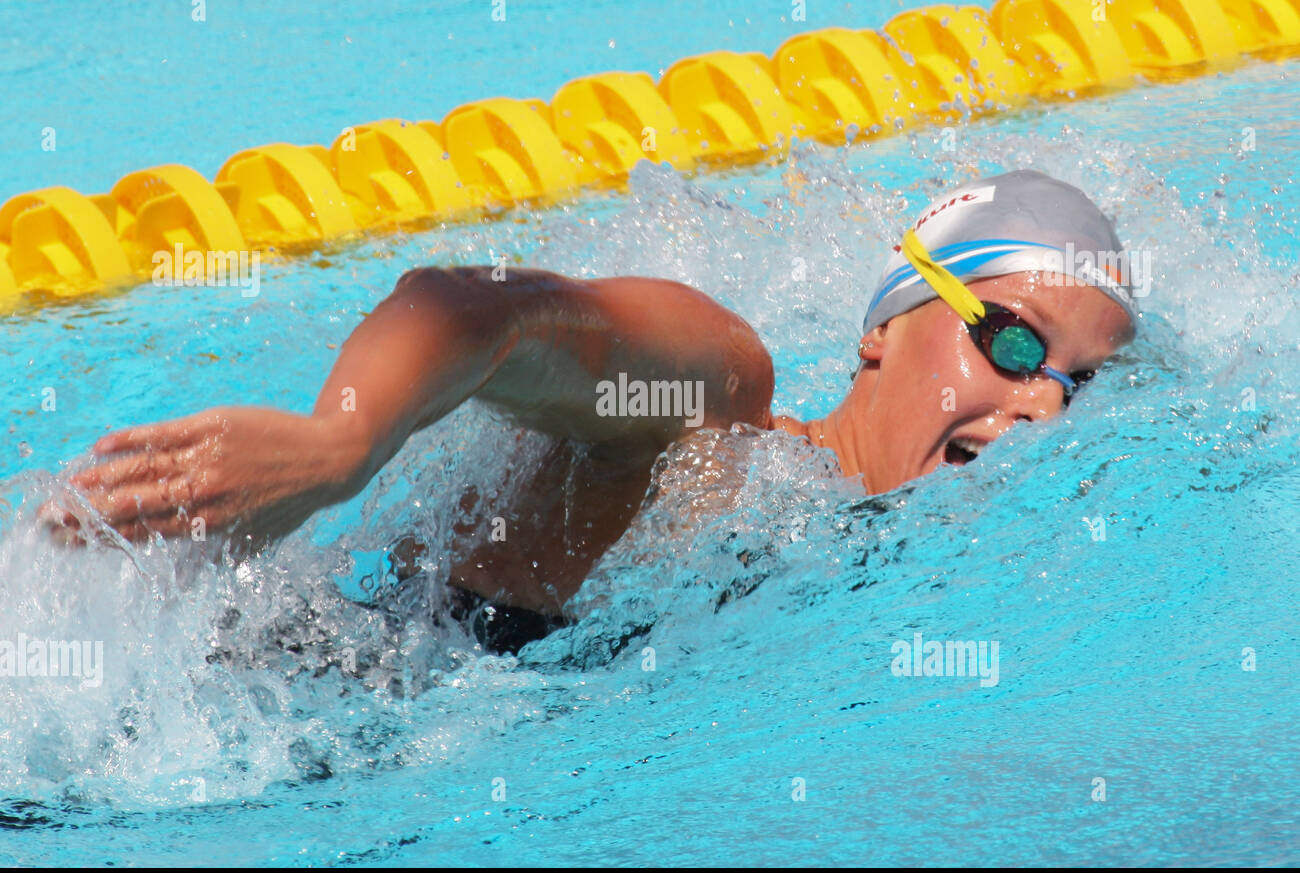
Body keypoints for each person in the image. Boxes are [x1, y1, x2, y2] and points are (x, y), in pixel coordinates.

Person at [48, 169, 1138, 652]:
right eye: (1010, 341)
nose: (1040, 403)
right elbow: (483, 314)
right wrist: (341, 444)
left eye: (1074, 385)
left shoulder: (856, 569)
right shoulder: (713, 407)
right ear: (885, 328)